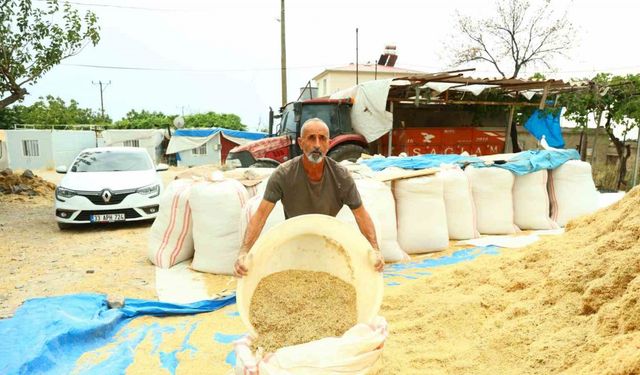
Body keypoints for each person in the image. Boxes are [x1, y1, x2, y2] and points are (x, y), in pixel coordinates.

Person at [234, 118, 384, 276]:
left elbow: (361, 215)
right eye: (311, 138)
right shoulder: (283, 174)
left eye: (322, 138)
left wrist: (375, 249)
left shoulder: (341, 176)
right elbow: (260, 216)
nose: (317, 145)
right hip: (295, 242)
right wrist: (243, 252)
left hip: (327, 243)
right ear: (300, 142)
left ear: (329, 143)